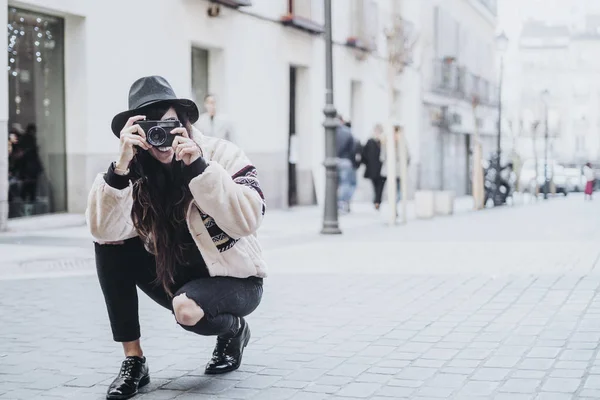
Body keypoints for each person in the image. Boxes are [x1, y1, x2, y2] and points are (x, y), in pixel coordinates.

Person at [87, 76, 267, 400]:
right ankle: (134, 360)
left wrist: (200, 167)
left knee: (186, 311)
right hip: (175, 274)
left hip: (234, 279)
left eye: (169, 124)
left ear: (183, 122)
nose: (163, 137)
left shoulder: (221, 154)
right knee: (109, 244)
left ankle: (234, 329)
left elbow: (250, 218)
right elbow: (102, 230)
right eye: (152, 128)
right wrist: (121, 167)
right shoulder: (133, 168)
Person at [335, 115, 357, 213]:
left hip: (334, 161)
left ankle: (339, 202)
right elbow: (353, 149)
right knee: (346, 183)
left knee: (338, 184)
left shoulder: (332, 132)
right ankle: (342, 202)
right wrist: (353, 162)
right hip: (346, 161)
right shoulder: (347, 132)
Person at [361, 124, 385, 210]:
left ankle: (377, 201)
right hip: (372, 169)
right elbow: (364, 154)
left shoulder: (383, 142)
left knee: (380, 186)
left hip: (382, 169)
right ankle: (376, 201)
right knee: (375, 186)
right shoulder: (370, 141)